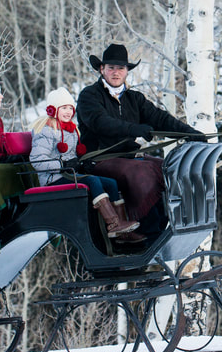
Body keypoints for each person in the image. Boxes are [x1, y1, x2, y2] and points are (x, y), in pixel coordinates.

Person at [76, 43, 206, 234]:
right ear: (101, 69)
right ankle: (146, 230)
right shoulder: (89, 96)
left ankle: (167, 223)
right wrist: (133, 129)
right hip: (98, 159)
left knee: (167, 167)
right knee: (140, 173)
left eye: (120, 68)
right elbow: (100, 122)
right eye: (111, 67)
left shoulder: (134, 99)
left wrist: (189, 132)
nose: (115, 72)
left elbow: (160, 119)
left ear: (127, 71)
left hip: (128, 157)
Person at [30, 88, 143, 241]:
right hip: (53, 178)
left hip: (69, 172)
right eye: (64, 108)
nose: (68, 112)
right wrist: (62, 163)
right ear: (53, 109)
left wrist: (82, 163)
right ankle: (113, 224)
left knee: (111, 183)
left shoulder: (71, 130)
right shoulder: (46, 131)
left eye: (71, 108)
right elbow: (36, 160)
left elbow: (73, 155)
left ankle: (123, 230)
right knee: (92, 180)